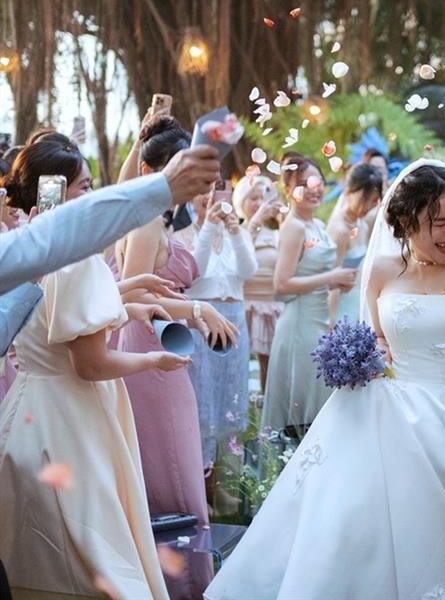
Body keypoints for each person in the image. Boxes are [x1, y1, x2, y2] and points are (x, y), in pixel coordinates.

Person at [206, 159, 445, 600]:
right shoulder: (381, 271)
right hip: (392, 419)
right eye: (438, 222)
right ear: (406, 222)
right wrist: (364, 360)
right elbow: (378, 340)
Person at [0, 136, 189, 599]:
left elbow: (51, 320)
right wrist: (154, 359)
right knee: (95, 558)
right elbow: (90, 363)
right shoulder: (75, 256)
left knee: (35, 554)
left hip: (25, 413)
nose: (92, 195)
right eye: (85, 187)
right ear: (57, 190)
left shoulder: (24, 246)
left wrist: (124, 301)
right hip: (71, 422)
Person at [112, 116, 235, 599]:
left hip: (165, 349)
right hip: (148, 356)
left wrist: (195, 313)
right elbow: (135, 296)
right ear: (151, 170)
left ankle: (185, 581)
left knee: (178, 468)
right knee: (171, 473)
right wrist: (198, 310)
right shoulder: (145, 223)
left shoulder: (163, 220)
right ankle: (177, 585)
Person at [0, 143, 220, 295]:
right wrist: (164, 187)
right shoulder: (73, 265)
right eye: (85, 186)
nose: (90, 194)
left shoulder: (59, 258)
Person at [260, 153, 355, 436]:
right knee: (303, 415)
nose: (314, 189)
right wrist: (331, 278)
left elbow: (312, 275)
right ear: (288, 190)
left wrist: (338, 283)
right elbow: (281, 285)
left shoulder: (317, 226)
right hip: (299, 328)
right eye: (304, 183)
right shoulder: (294, 227)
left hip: (319, 325)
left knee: (320, 410)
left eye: (318, 182)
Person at [182, 188, 256, 477]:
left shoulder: (240, 233)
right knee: (202, 394)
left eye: (218, 189)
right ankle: (200, 476)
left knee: (231, 392)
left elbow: (248, 272)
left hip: (234, 317)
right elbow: (193, 274)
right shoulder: (183, 236)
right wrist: (209, 226)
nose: (211, 196)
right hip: (201, 321)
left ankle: (229, 477)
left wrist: (235, 233)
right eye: (205, 189)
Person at [234, 175, 285, 393]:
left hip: (270, 304)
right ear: (241, 201)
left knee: (270, 361)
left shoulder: (276, 233)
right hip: (245, 304)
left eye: (262, 198)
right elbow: (240, 253)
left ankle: (266, 402)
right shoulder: (237, 231)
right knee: (238, 361)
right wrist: (256, 221)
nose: (258, 204)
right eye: (252, 198)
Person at [326, 162, 383, 321]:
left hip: (357, 304)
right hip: (339, 310)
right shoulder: (340, 230)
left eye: (374, 201)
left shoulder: (362, 224)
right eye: (364, 199)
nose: (368, 206)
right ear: (349, 191)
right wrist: (331, 323)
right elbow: (331, 282)